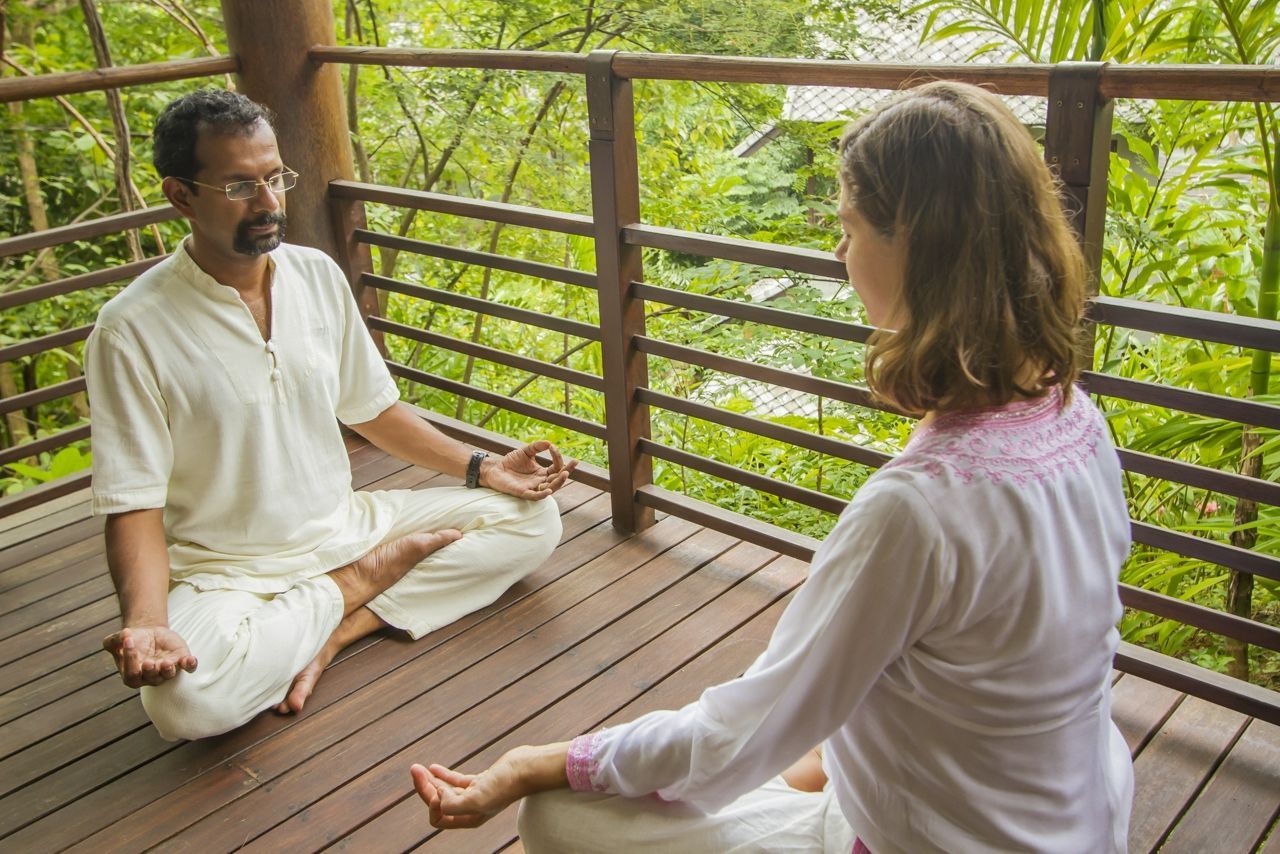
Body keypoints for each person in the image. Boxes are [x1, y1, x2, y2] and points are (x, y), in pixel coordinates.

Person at [409, 81, 1135, 853]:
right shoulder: (1076, 420)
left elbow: (741, 730)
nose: (838, 251)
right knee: (768, 765)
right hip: (1070, 821)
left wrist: (535, 763)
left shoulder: (922, 506)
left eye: (851, 227)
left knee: (558, 814)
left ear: (919, 249)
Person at [86, 88, 575, 742]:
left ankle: (342, 623)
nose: (268, 204)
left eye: (274, 178)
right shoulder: (130, 330)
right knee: (186, 705)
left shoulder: (314, 275)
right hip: (230, 573)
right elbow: (134, 501)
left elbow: (373, 409)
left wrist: (484, 468)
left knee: (533, 519)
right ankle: (357, 587)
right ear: (180, 196)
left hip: (345, 525)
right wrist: (147, 620)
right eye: (239, 186)